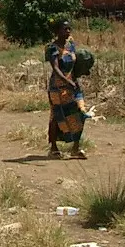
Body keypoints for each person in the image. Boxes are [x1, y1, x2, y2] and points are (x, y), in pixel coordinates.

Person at [45, 19, 88, 160]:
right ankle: (53, 147)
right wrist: (67, 81)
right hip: (57, 88)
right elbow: (56, 68)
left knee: (81, 113)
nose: (68, 31)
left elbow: (75, 64)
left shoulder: (71, 45)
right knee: (58, 117)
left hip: (73, 85)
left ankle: (75, 147)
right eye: (65, 29)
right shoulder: (52, 47)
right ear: (57, 31)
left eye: (69, 28)